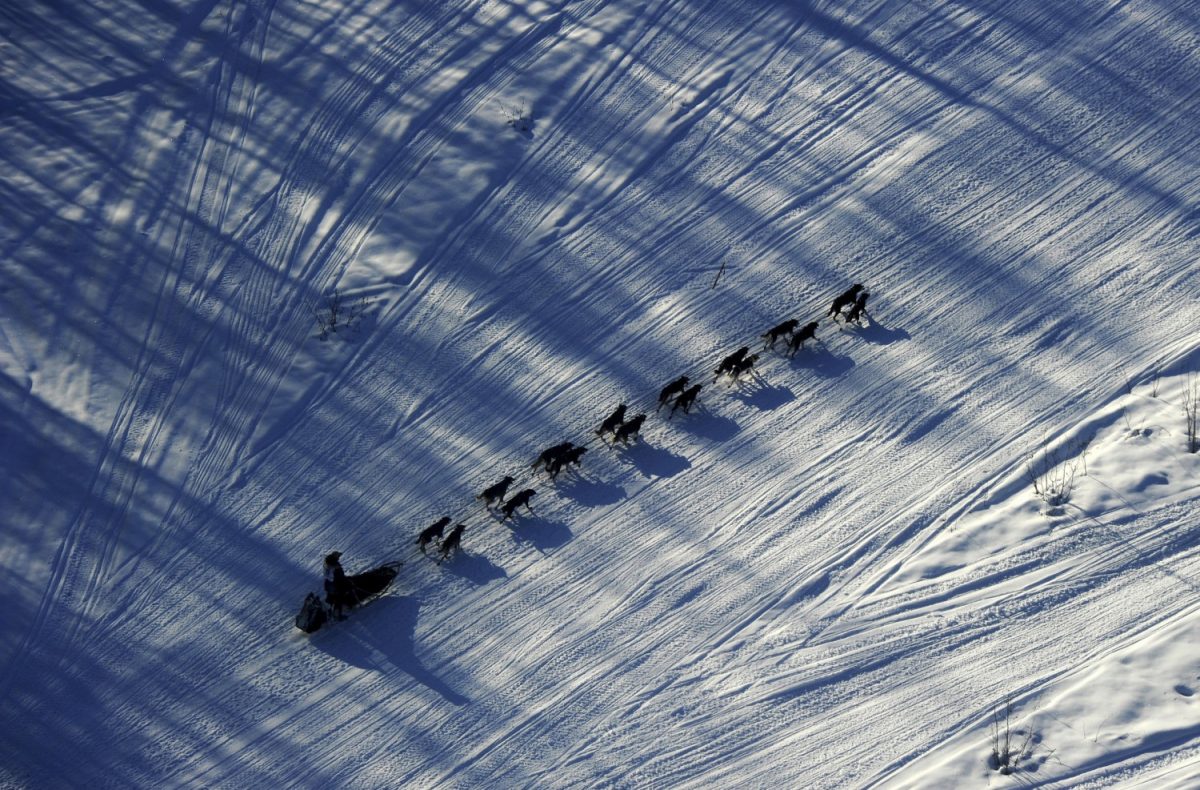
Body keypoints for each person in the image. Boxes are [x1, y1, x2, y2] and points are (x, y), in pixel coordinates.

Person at [324, 552, 348, 619]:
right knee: (339, 600)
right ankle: (337, 615)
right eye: (338, 556)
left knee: (329, 600)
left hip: (328, 585)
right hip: (335, 586)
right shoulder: (335, 565)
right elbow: (338, 577)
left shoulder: (328, 564)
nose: (339, 558)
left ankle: (327, 614)